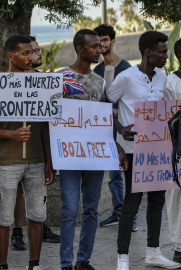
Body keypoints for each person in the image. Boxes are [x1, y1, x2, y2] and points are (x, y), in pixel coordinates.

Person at [108, 31, 181, 270]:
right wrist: (119, 129)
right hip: (133, 148)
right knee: (132, 201)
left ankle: (153, 252)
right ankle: (123, 258)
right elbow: (106, 104)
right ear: (148, 52)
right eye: (162, 52)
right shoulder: (125, 77)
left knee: (157, 201)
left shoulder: (163, 79)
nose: (166, 56)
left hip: (160, 148)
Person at [58, 29, 128, 270]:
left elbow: (106, 115)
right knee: (69, 209)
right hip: (68, 155)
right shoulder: (62, 77)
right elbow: (49, 116)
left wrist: (117, 142)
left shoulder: (99, 81)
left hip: (94, 155)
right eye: (94, 46)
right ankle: (66, 263)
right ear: (80, 49)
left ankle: (83, 261)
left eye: (100, 46)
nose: (99, 50)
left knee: (91, 208)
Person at [0, 34, 54, 270]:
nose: (31, 57)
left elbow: (45, 126)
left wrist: (49, 161)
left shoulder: (42, 82)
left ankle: (35, 264)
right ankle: (3, 265)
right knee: (3, 217)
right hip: (7, 162)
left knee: (37, 215)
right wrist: (12, 135)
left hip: (37, 161)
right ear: (11, 56)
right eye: (25, 53)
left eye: (32, 52)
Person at [92, 24, 137, 231]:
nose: (101, 44)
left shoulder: (125, 68)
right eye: (98, 40)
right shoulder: (98, 70)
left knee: (124, 171)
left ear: (112, 41)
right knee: (112, 173)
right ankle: (119, 211)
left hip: (122, 128)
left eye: (105, 39)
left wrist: (113, 113)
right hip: (103, 128)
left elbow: (131, 101)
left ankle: (130, 216)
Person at [164, 38, 181, 264]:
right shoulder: (172, 82)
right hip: (177, 148)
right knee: (176, 196)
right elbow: (166, 116)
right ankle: (179, 246)